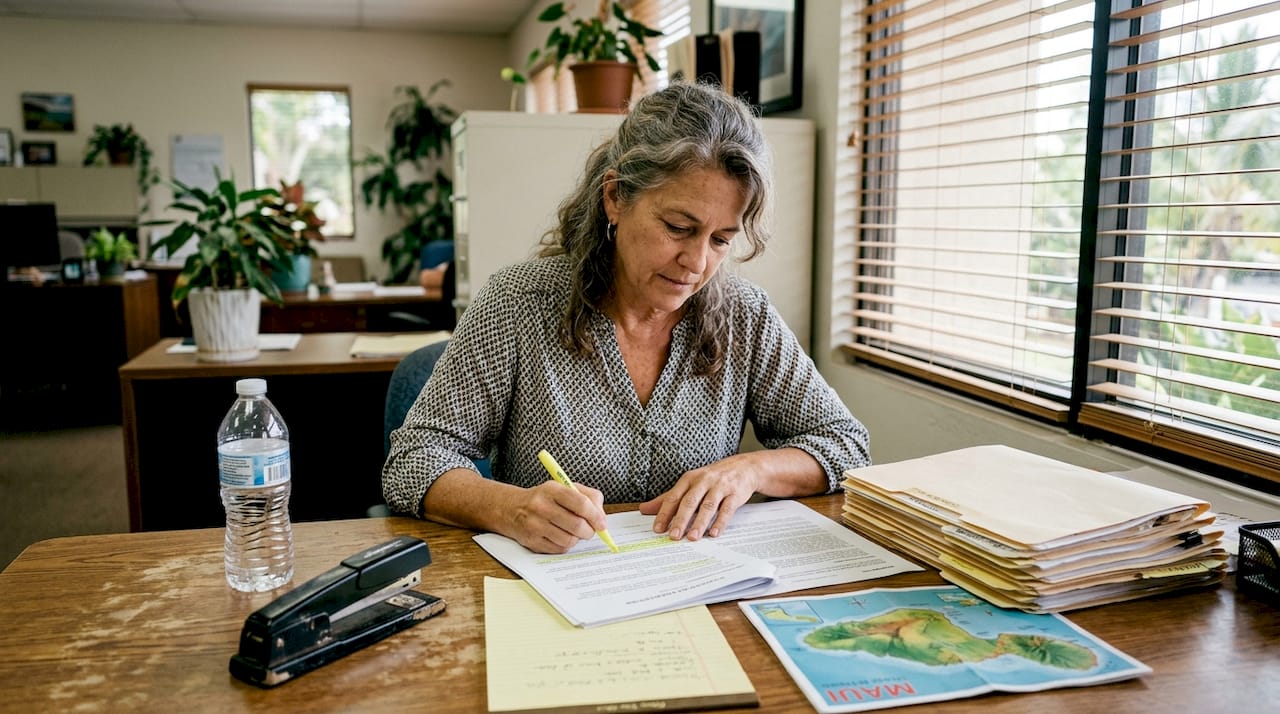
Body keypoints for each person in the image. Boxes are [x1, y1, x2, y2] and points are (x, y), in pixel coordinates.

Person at [383, 81, 870, 554]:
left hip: (697, 583)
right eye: (678, 227)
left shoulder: (745, 314)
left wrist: (750, 470)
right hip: (553, 584)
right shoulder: (519, 303)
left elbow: (846, 444)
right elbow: (412, 460)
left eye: (721, 239)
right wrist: (510, 508)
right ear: (615, 197)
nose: (697, 262)